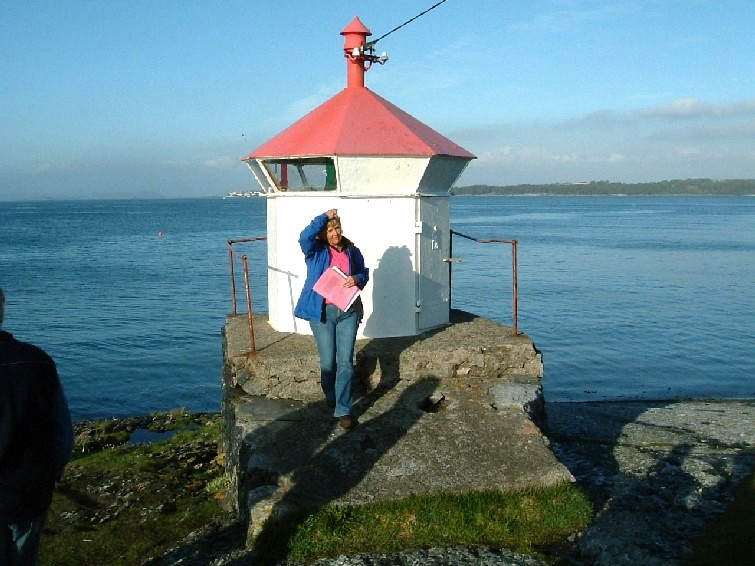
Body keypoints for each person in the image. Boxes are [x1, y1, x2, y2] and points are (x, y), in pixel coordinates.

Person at [1, 288, 74, 565]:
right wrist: (49, 475)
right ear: (2, 304)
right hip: (28, 494)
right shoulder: (37, 362)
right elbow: (62, 435)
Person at [294, 209, 369, 429]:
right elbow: (304, 237)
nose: (334, 233)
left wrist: (357, 278)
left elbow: (364, 272)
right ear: (323, 233)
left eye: (337, 228)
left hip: (348, 312)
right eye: (330, 230)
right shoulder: (315, 252)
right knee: (328, 362)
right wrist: (323, 217)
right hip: (322, 314)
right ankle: (330, 393)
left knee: (345, 362)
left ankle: (343, 409)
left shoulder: (352, 251)